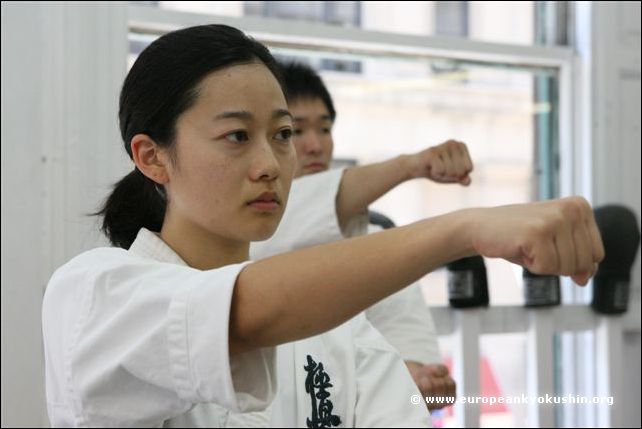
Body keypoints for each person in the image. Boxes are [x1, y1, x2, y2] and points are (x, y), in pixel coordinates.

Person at [41, 24, 604, 428]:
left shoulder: (341, 332)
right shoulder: (94, 294)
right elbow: (236, 312)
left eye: (281, 135)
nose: (270, 164)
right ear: (152, 157)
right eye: (236, 136)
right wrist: (463, 229)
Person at [252, 61, 463, 411]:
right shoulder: (244, 234)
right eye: (294, 132)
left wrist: (419, 379)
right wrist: (412, 165)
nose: (315, 145)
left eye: (324, 129)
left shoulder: (377, 239)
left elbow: (419, 368)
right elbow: (310, 204)